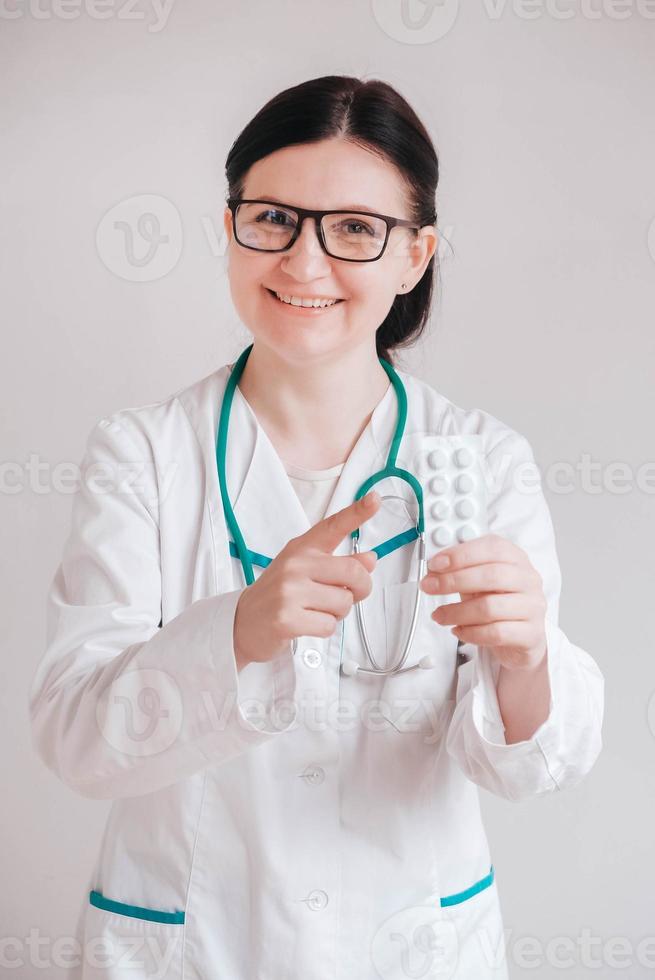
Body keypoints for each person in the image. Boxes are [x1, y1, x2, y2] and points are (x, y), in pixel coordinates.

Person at [28, 74, 604, 980]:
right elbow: (73, 739)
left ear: (415, 256)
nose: (302, 263)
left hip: (415, 947)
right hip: (192, 949)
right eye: (272, 219)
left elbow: (526, 767)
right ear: (228, 229)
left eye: (354, 229)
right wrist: (239, 632)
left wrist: (528, 659)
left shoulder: (482, 460)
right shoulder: (140, 454)